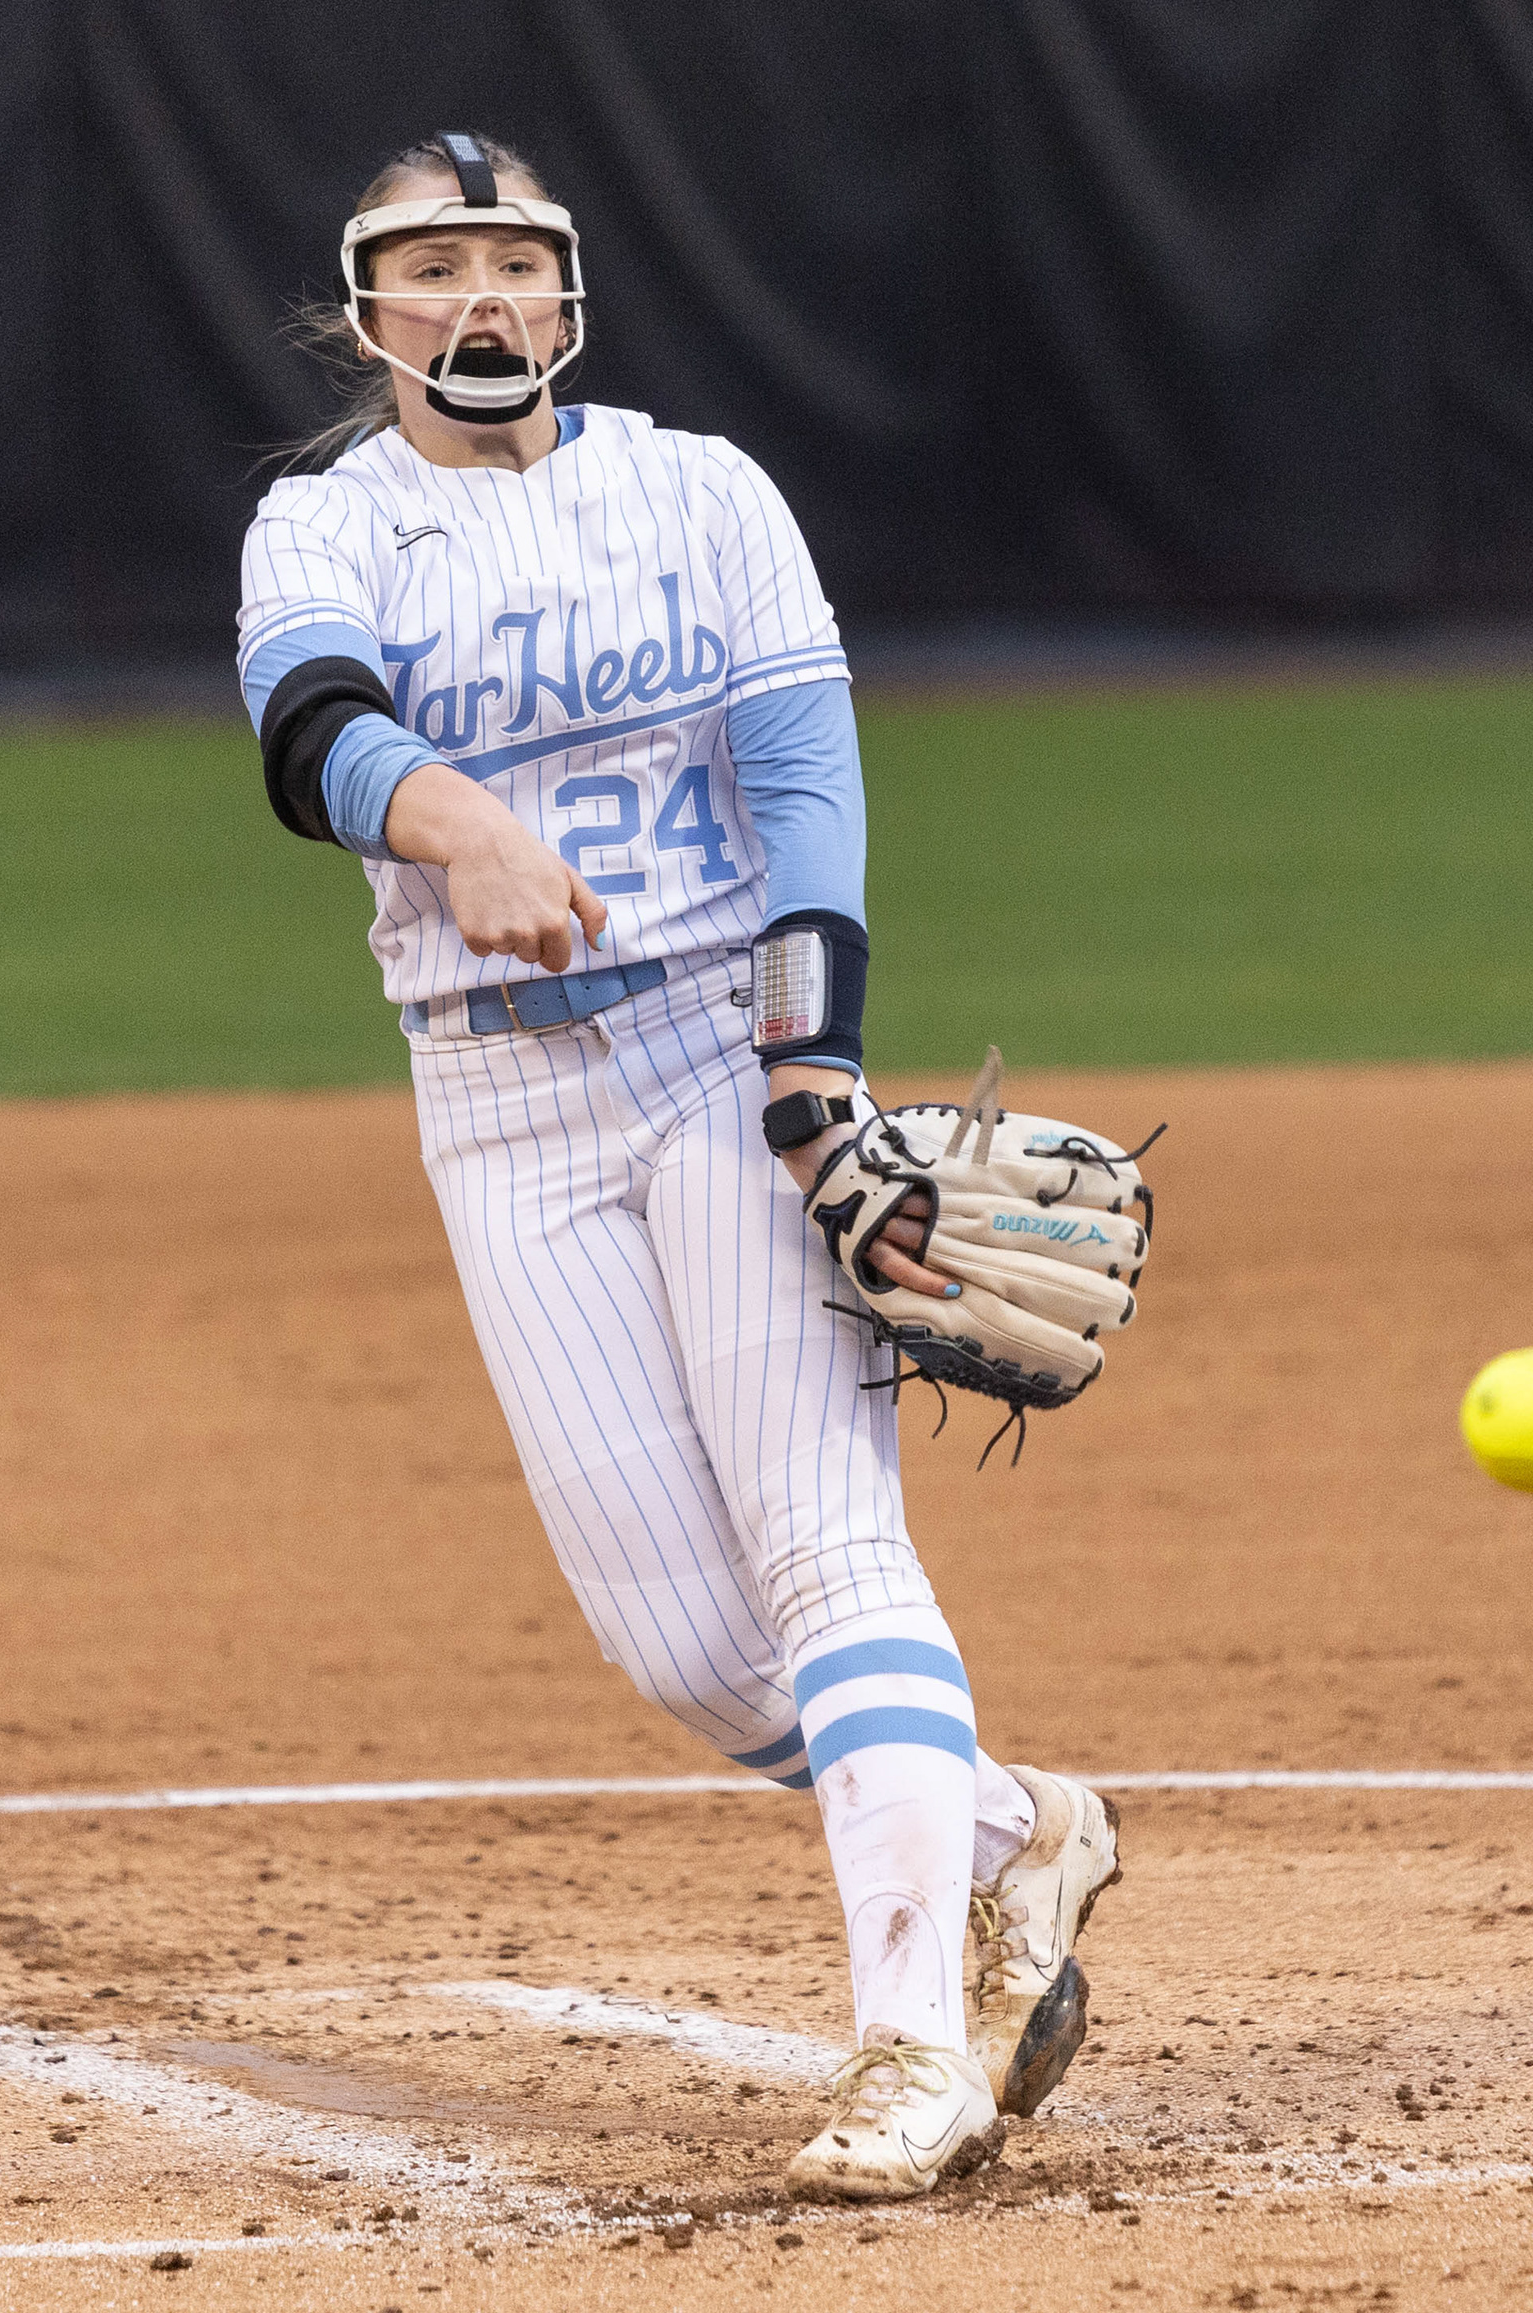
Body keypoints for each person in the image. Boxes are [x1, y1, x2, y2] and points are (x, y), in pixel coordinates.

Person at [237, 128, 1120, 2199]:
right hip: (495, 1095)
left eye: (513, 266)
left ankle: (910, 2046)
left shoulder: (702, 490)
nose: (479, 304)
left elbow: (804, 777)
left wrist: (815, 1066)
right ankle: (1021, 1827)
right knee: (690, 1648)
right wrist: (457, 825)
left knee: (827, 1548)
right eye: (430, 269)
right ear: (368, 312)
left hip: (721, 1053)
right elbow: (311, 723)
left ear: (569, 297)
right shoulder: (323, 520)